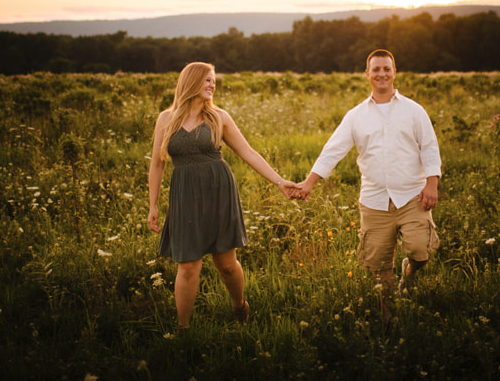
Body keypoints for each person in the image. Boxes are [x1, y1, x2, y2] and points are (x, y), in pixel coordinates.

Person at [147, 62, 297, 328]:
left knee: (226, 264)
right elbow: (157, 163)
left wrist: (279, 181)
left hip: (219, 192)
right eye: (207, 80)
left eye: (213, 80)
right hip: (185, 194)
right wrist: (153, 205)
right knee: (188, 265)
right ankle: (184, 330)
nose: (212, 85)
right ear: (191, 82)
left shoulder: (219, 117)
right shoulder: (166, 119)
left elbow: (248, 153)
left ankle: (240, 305)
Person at [295, 49, 442, 321]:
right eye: (376, 69)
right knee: (379, 266)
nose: (382, 74)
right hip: (374, 201)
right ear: (367, 74)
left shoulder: (413, 110)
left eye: (387, 68)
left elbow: (429, 147)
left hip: (413, 196)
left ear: (394, 72)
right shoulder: (356, 116)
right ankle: (390, 320)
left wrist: (431, 184)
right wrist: (309, 182)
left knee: (421, 250)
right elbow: (332, 150)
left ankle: (409, 271)